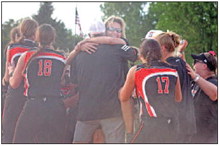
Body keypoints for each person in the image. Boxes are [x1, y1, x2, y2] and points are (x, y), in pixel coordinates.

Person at [70, 20, 138, 143]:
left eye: (118, 31)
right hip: (112, 111)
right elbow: (135, 55)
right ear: (105, 32)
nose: (116, 33)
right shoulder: (118, 48)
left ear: (90, 35)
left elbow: (73, 81)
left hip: (86, 112)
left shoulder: (79, 53)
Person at [10, 24, 66, 143]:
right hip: (55, 105)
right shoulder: (61, 57)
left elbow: (14, 83)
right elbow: (63, 82)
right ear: (53, 38)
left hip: (34, 105)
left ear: (36, 37)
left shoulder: (27, 56)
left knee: (19, 141)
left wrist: (10, 73)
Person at [119, 39, 182, 143]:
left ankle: (129, 131)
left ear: (141, 54)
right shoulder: (173, 70)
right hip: (171, 123)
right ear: (160, 53)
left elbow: (123, 97)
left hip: (150, 123)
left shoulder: (137, 70)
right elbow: (178, 98)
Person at [153, 31, 197, 143]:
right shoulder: (181, 63)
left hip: (175, 124)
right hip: (188, 122)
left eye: (155, 47)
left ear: (162, 48)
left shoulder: (168, 67)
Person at [2, 18, 38, 143]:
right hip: (32, 96)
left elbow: (7, 78)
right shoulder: (39, 49)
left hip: (15, 94)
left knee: (8, 133)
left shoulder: (12, 47)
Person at [186, 51, 217, 143]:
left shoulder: (214, 81)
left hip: (209, 136)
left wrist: (196, 77)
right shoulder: (198, 82)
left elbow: (215, 94)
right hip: (197, 135)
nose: (193, 64)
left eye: (196, 61)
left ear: (204, 66)